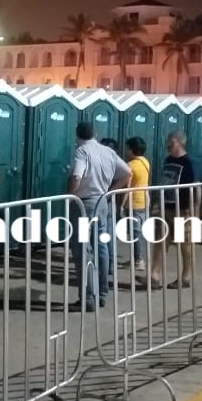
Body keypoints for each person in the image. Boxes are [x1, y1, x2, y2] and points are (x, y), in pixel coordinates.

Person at [68, 122, 131, 311]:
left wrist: (69, 195)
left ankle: (89, 297)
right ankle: (102, 293)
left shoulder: (82, 151)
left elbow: (76, 176)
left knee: (82, 250)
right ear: (94, 133)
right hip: (102, 201)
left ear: (77, 135)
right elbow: (127, 173)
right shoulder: (108, 151)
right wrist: (110, 191)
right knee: (101, 246)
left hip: (84, 203)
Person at [148, 131, 202, 289]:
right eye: (168, 141)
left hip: (183, 209)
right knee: (160, 240)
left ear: (180, 143)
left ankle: (186, 276)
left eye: (171, 142)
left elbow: (196, 188)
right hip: (166, 207)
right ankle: (154, 275)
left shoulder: (189, 163)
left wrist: (195, 213)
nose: (168, 144)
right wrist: (156, 203)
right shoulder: (168, 160)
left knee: (185, 244)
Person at [121, 137, 150, 275]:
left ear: (131, 149)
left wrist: (121, 205)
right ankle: (137, 259)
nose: (125, 150)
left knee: (135, 233)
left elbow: (127, 188)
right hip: (144, 200)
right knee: (138, 232)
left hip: (133, 203)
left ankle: (138, 261)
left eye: (127, 148)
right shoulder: (145, 162)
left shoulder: (130, 166)